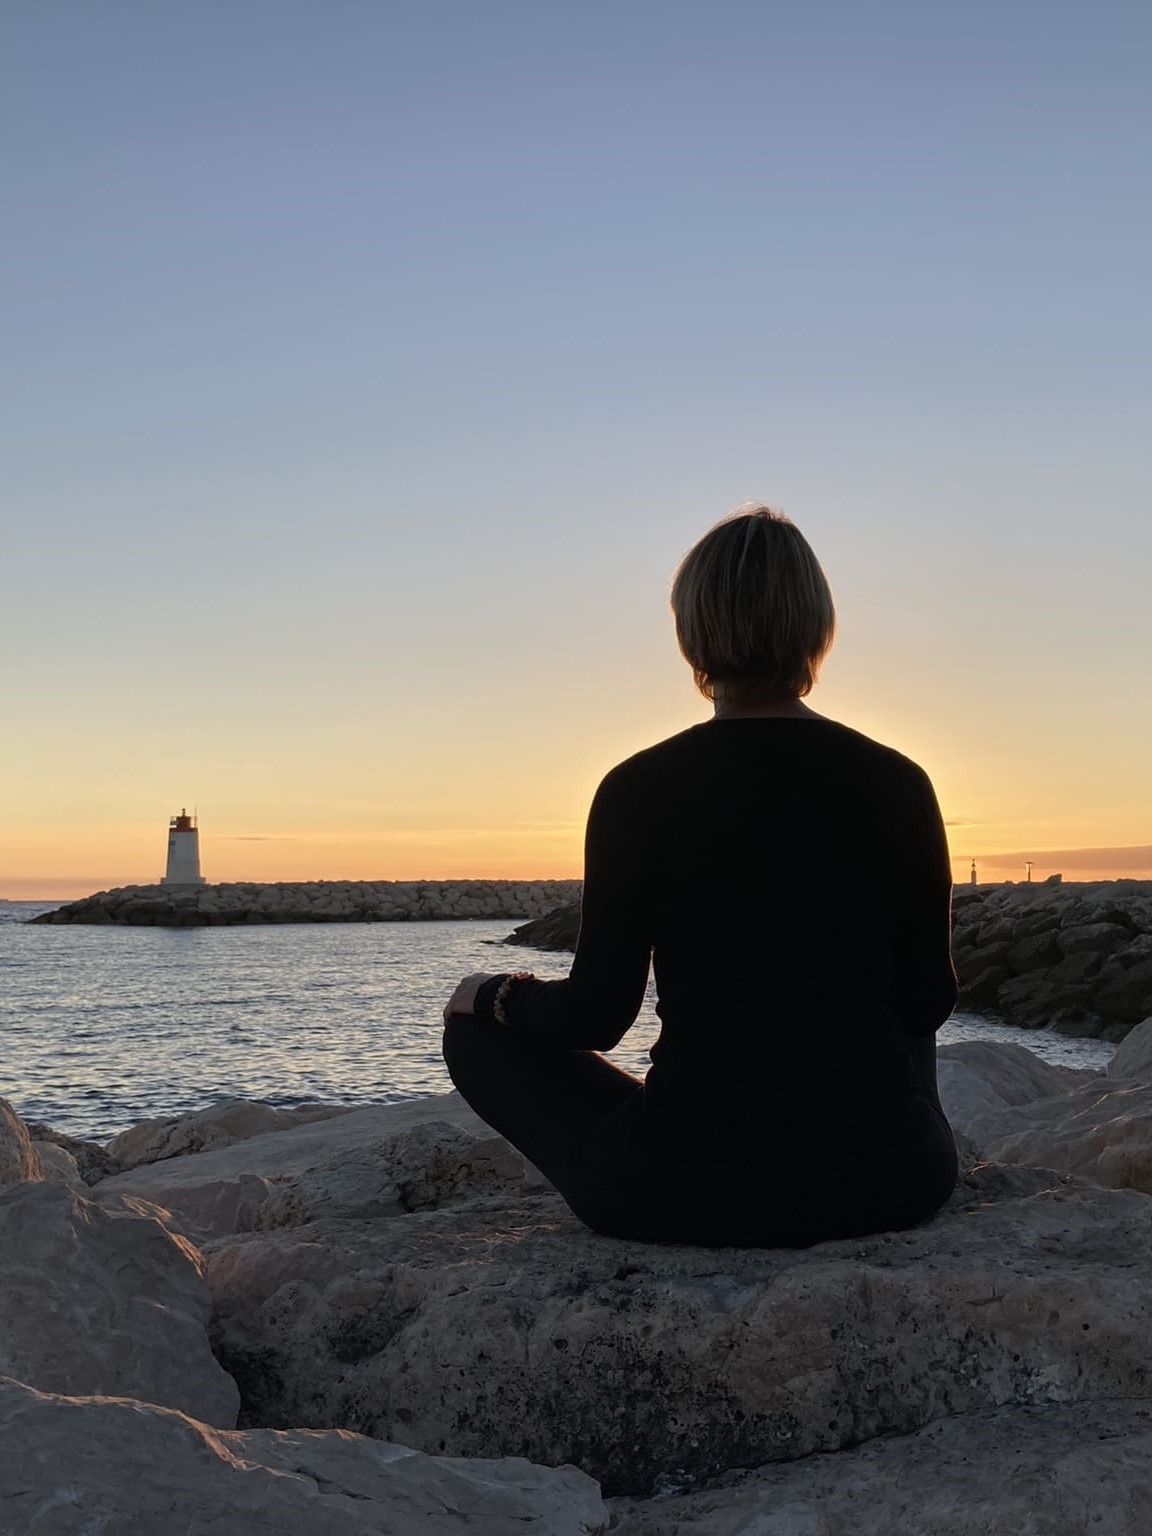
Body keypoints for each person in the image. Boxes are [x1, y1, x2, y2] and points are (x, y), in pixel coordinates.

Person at [442, 505, 959, 1247]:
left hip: (681, 1191)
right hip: (886, 1183)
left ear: (692, 631)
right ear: (817, 626)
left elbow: (596, 1016)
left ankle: (684, 1116)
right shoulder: (898, 781)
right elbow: (927, 1001)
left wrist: (495, 996)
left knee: (475, 1037)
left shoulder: (638, 788)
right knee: (886, 1024)